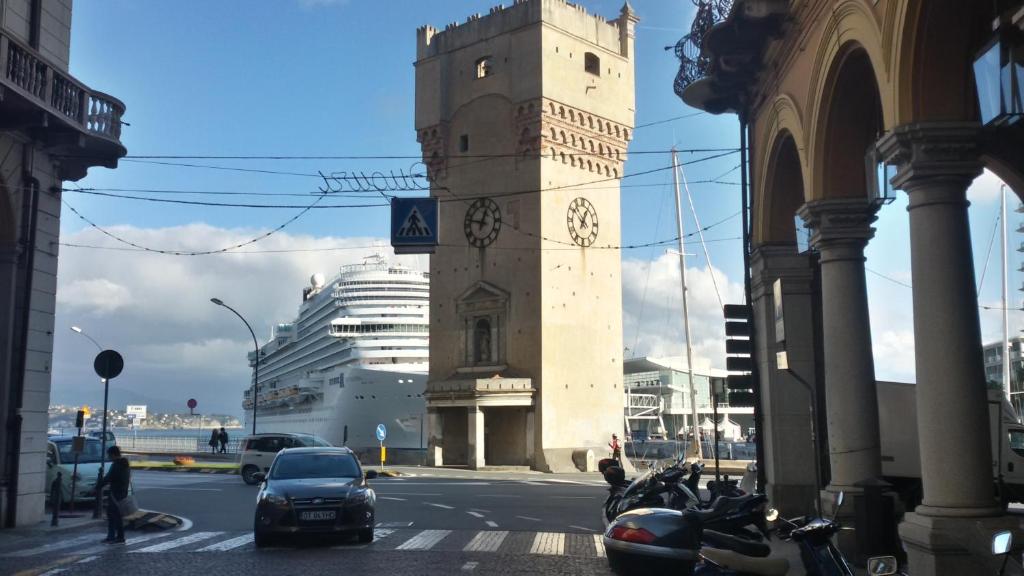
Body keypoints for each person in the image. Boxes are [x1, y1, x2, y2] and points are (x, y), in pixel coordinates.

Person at [98, 445, 130, 544]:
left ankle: (116, 537)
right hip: (122, 492)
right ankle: (115, 536)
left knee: (113, 515)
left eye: (109, 455)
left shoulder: (116, 465)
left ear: (112, 454)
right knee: (116, 515)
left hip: (115, 494)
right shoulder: (125, 464)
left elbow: (108, 477)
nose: (108, 457)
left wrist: (97, 487)